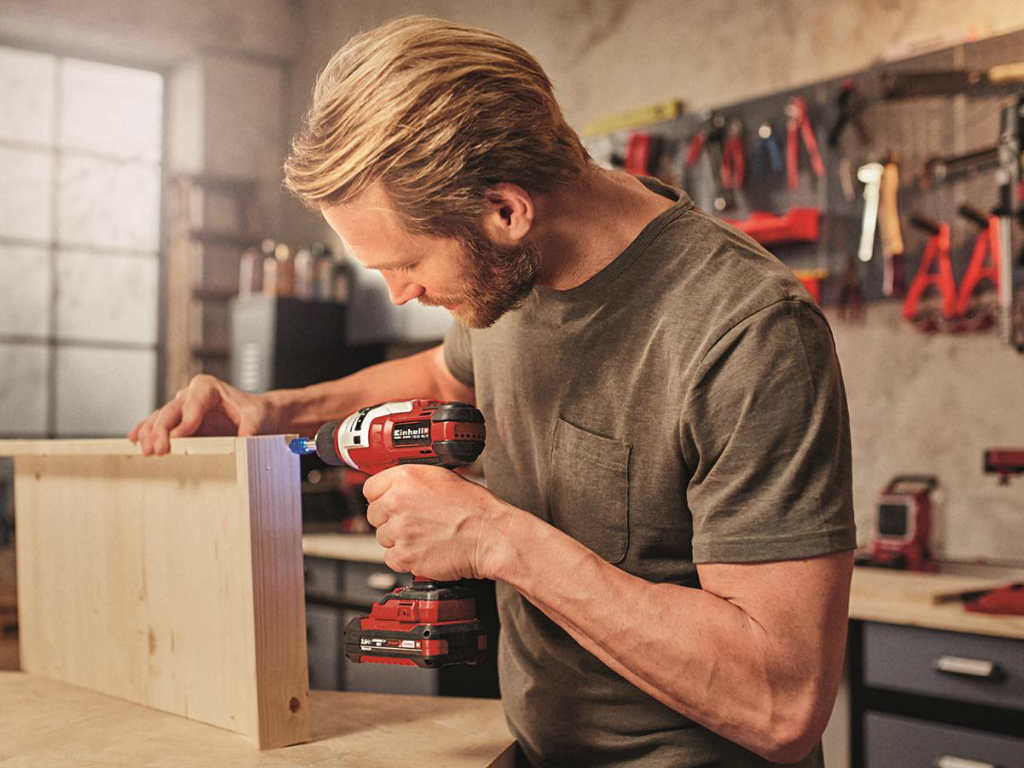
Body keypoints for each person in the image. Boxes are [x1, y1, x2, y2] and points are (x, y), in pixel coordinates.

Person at [131, 16, 855, 767]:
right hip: (537, 749)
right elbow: (449, 380)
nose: (401, 293)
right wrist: (272, 411)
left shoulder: (748, 331)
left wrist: (492, 536)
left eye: (405, 262)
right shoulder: (511, 279)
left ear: (506, 210)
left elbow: (781, 703)